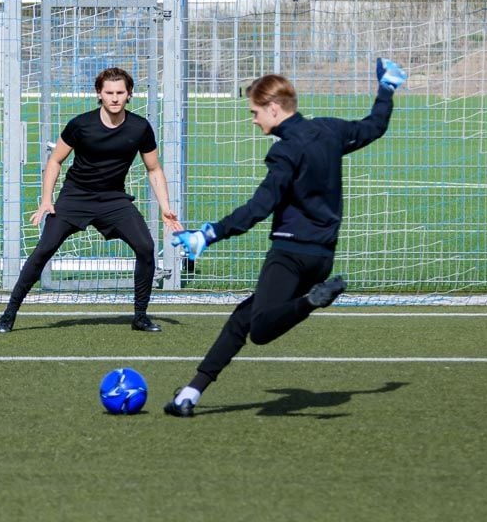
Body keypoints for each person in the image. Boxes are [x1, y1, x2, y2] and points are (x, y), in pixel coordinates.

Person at [163, 58, 406, 417]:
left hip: (290, 253)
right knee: (243, 318)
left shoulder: (285, 151)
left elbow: (260, 206)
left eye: (255, 112)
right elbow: (374, 127)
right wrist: (386, 89)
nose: (254, 119)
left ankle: (313, 301)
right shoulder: (330, 131)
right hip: (323, 257)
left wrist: (208, 234)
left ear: (274, 108)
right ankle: (190, 394)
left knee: (259, 330)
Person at [0, 67, 182, 334]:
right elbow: (55, 160)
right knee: (43, 250)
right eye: (109, 93)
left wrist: (165, 208)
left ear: (129, 94)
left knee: (145, 247)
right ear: (99, 94)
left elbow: (154, 169)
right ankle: (9, 313)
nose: (115, 98)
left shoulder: (140, 127)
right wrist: (46, 199)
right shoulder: (81, 124)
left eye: (120, 92)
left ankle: (140, 316)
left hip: (113, 200)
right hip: (75, 197)